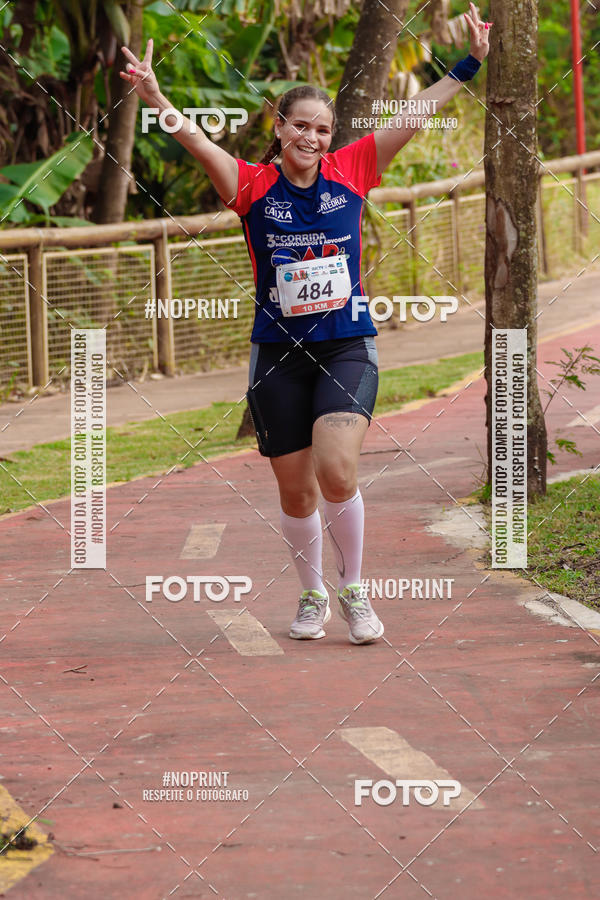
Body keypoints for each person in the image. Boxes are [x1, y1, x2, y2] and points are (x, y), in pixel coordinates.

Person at [121, 2, 491, 645]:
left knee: (337, 468)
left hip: (347, 345)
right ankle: (312, 594)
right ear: (280, 127)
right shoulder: (251, 186)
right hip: (278, 356)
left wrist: (468, 64)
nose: (312, 139)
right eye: (301, 127)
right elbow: (196, 140)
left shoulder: (353, 171)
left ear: (331, 136)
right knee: (296, 495)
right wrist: (155, 96)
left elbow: (414, 113)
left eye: (323, 130)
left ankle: (354, 589)